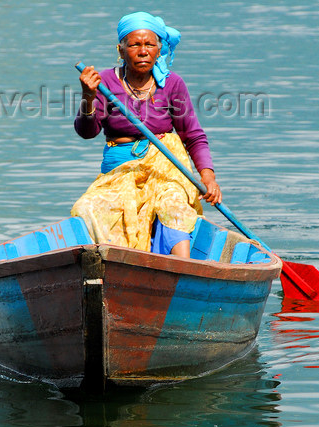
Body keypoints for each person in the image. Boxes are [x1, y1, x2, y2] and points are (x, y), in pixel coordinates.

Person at [71, 11, 222, 258]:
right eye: (135, 45)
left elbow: (193, 136)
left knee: (173, 205)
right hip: (120, 169)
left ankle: (181, 270)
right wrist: (87, 97)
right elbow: (87, 132)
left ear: (159, 49)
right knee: (87, 208)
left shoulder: (172, 83)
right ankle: (114, 265)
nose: (143, 51)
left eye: (150, 45)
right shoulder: (104, 82)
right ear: (120, 50)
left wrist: (208, 178)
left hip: (166, 168)